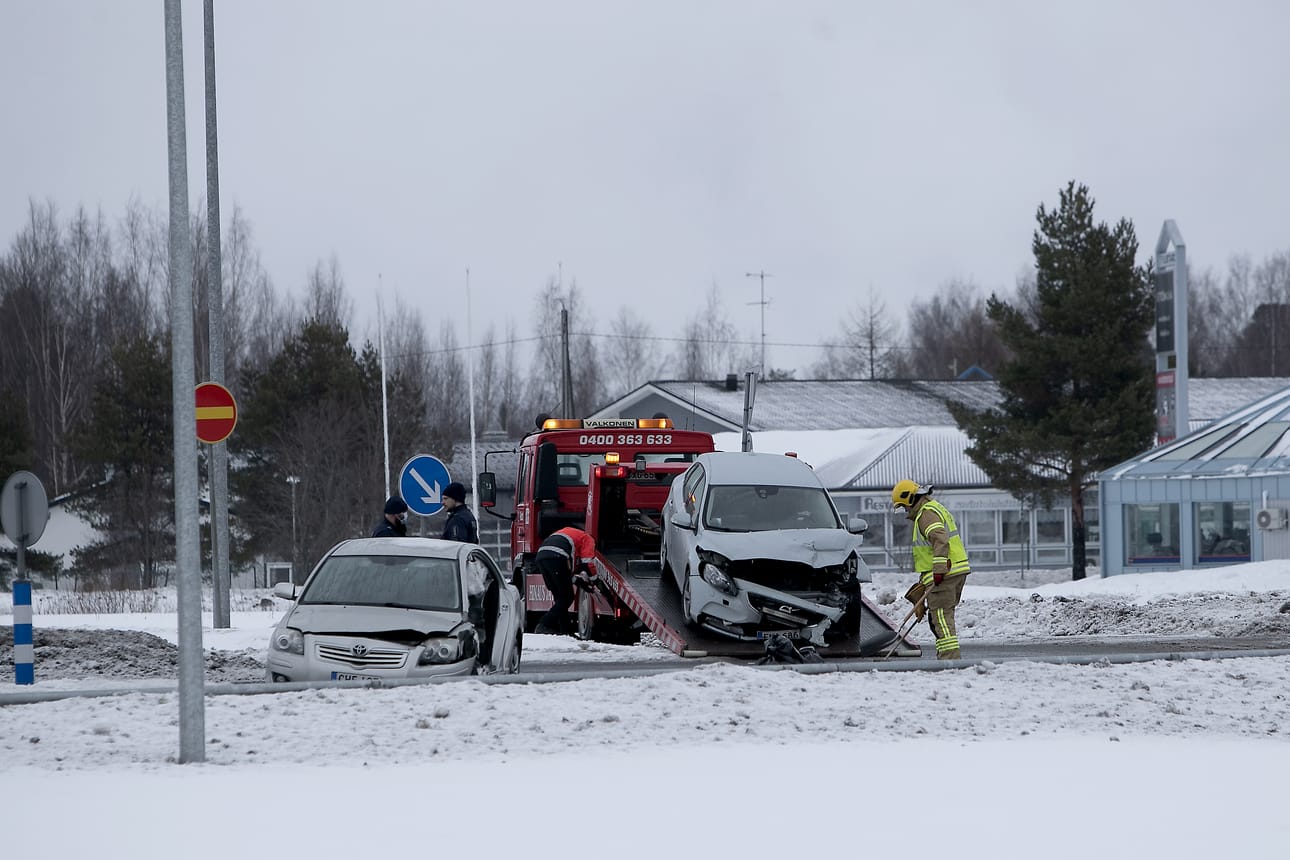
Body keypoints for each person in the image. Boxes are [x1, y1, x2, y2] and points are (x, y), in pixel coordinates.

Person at [891, 479, 970, 660]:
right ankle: (945, 657)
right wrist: (924, 581)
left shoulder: (926, 514)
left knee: (941, 618)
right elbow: (929, 549)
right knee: (940, 618)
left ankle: (949, 660)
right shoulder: (933, 508)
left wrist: (939, 570)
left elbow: (940, 539)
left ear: (910, 499)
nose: (906, 511)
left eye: (904, 506)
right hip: (953, 570)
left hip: (946, 573)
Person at [533, 526, 597, 636]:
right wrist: (593, 579)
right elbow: (588, 562)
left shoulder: (566, 532)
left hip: (541, 556)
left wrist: (577, 580)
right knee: (568, 597)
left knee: (560, 597)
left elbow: (567, 574)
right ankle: (544, 624)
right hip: (557, 556)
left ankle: (565, 631)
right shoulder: (588, 539)